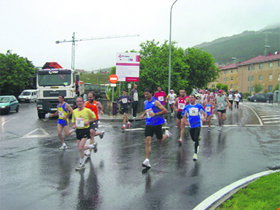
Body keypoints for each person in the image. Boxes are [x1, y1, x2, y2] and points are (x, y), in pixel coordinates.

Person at [139, 88, 172, 168]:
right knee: (147, 141)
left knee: (160, 139)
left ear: (151, 94)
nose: (146, 95)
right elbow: (147, 110)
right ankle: (147, 160)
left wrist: (155, 114)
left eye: (147, 94)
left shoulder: (156, 102)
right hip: (149, 123)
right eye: (145, 94)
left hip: (157, 124)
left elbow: (165, 110)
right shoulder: (145, 102)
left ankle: (167, 134)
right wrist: (143, 115)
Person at [72, 97, 97, 171]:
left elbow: (94, 118)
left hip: (85, 130)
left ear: (83, 102)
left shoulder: (87, 111)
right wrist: (73, 125)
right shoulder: (74, 111)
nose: (79, 103)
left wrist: (88, 121)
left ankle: (81, 164)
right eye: (77, 101)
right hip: (78, 131)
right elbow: (73, 121)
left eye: (80, 101)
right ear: (76, 103)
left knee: (80, 147)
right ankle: (92, 146)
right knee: (80, 148)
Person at [180, 94, 207, 160]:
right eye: (190, 98)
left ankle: (195, 154)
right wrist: (185, 122)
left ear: (195, 99)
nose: (191, 99)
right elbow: (183, 115)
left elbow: (205, 113)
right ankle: (197, 140)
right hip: (191, 125)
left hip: (198, 124)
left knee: (196, 138)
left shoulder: (199, 106)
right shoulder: (187, 107)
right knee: (193, 138)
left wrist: (204, 118)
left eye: (192, 98)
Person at [84, 91, 105, 156]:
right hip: (88, 120)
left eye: (90, 97)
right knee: (90, 134)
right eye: (88, 97)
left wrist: (101, 111)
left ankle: (89, 151)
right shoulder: (86, 104)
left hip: (95, 120)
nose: (89, 98)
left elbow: (101, 107)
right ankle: (100, 133)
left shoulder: (97, 103)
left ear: (93, 97)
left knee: (91, 133)